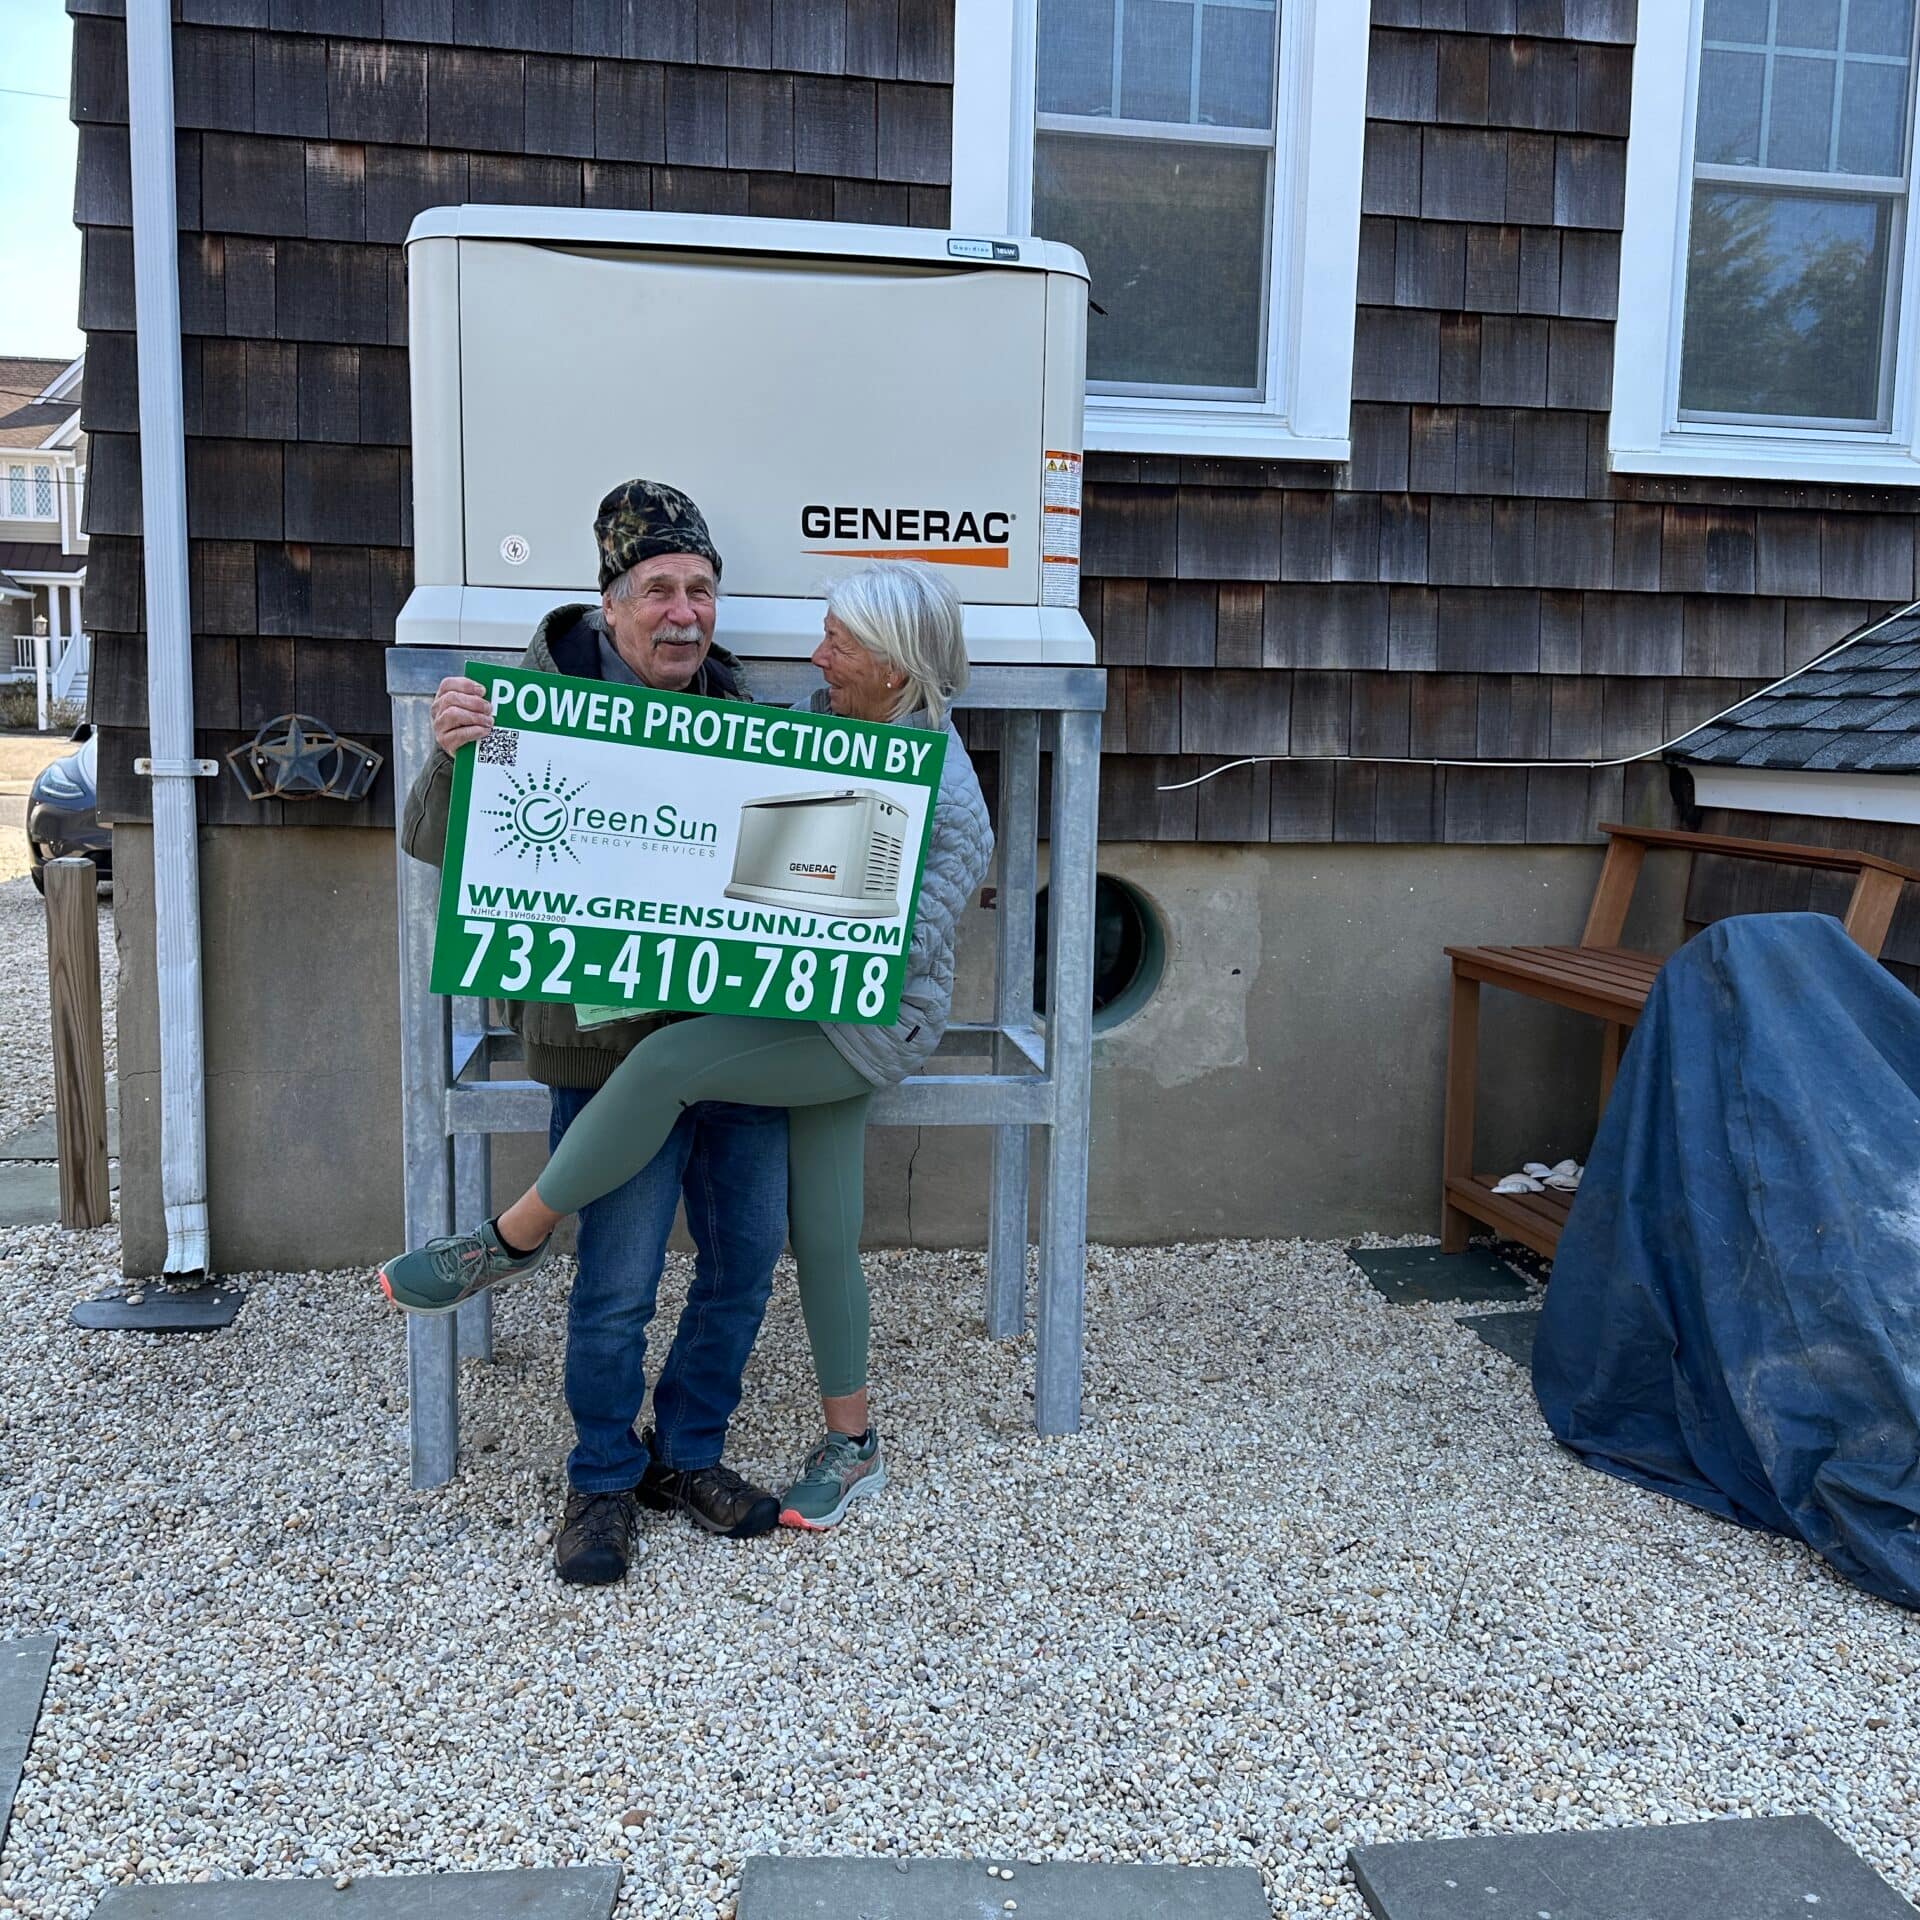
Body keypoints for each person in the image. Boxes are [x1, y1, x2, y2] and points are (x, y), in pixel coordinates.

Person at [383, 561, 994, 1531]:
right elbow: (662, 814)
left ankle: (511, 1238)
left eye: (837, 642)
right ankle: (855, 1442)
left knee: (665, 1065)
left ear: (893, 663)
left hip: (857, 1025)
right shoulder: (829, 728)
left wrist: (754, 915)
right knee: (827, 1237)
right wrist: (486, 751)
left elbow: (884, 951)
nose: (816, 654)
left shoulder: (945, 794)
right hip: (798, 1004)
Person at [396, 477, 790, 1587]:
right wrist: (453, 754)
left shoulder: (749, 713)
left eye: (701, 589)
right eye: (660, 589)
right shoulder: (529, 703)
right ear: (610, 604)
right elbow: (436, 842)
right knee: (616, 1278)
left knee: (746, 1262)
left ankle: (691, 1453)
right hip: (606, 1053)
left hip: (732, 1036)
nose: (684, 612)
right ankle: (604, 1476)